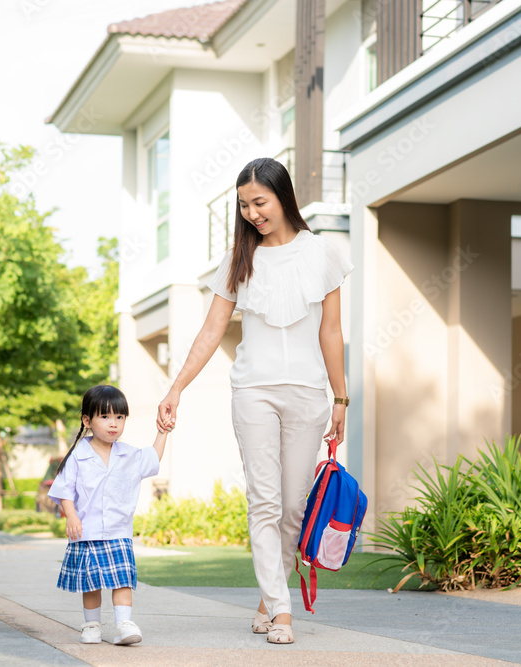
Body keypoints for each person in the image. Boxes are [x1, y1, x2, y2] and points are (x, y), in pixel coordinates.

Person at [157, 157, 353, 645]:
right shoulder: (238, 261)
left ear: (283, 197)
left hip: (309, 393)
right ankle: (282, 612)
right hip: (253, 392)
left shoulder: (322, 254)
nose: (251, 213)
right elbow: (210, 331)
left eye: (259, 202)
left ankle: (270, 596)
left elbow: (332, 332)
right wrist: (176, 387)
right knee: (263, 501)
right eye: (243, 205)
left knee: (293, 506)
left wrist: (341, 397)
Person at [48, 384, 168, 646]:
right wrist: (71, 516)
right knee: (91, 583)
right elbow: (64, 490)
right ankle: (91, 625)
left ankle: (124, 624)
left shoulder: (129, 454)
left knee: (122, 579)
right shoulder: (77, 456)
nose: (113, 423)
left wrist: (162, 432)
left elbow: (153, 459)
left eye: (119, 417)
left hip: (118, 530)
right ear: (87, 420)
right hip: (86, 531)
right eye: (105, 416)